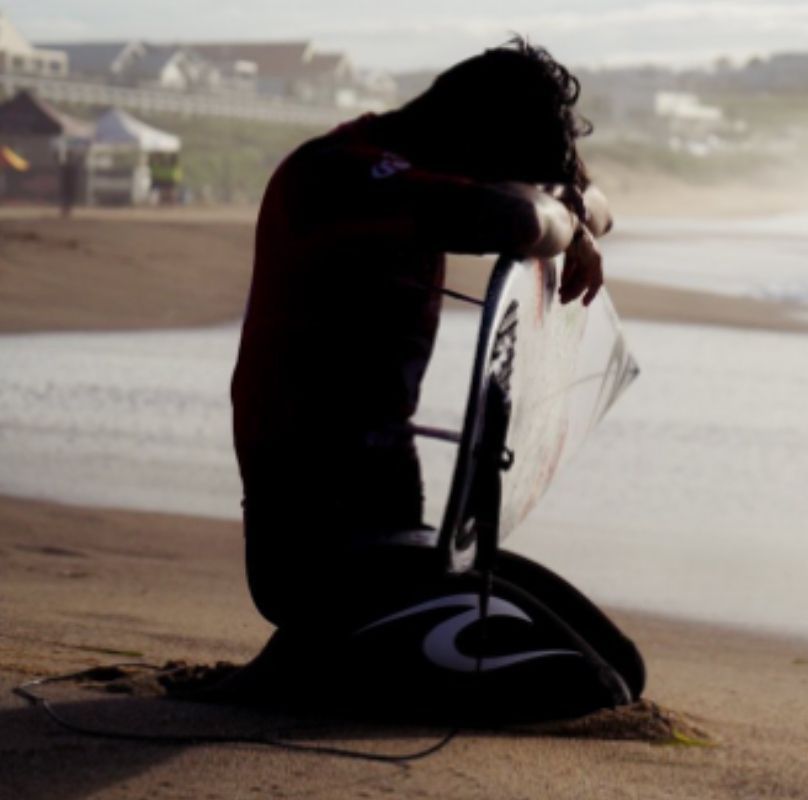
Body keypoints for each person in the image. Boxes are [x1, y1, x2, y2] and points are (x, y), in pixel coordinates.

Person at [229, 39, 642, 722]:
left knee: (619, 665)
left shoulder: (423, 169)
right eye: (496, 168)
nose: (492, 180)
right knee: (584, 687)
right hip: (310, 545)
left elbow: (593, 204)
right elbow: (514, 218)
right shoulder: (337, 173)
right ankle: (317, 654)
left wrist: (572, 205)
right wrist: (564, 221)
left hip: (397, 518)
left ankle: (333, 654)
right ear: (470, 134)